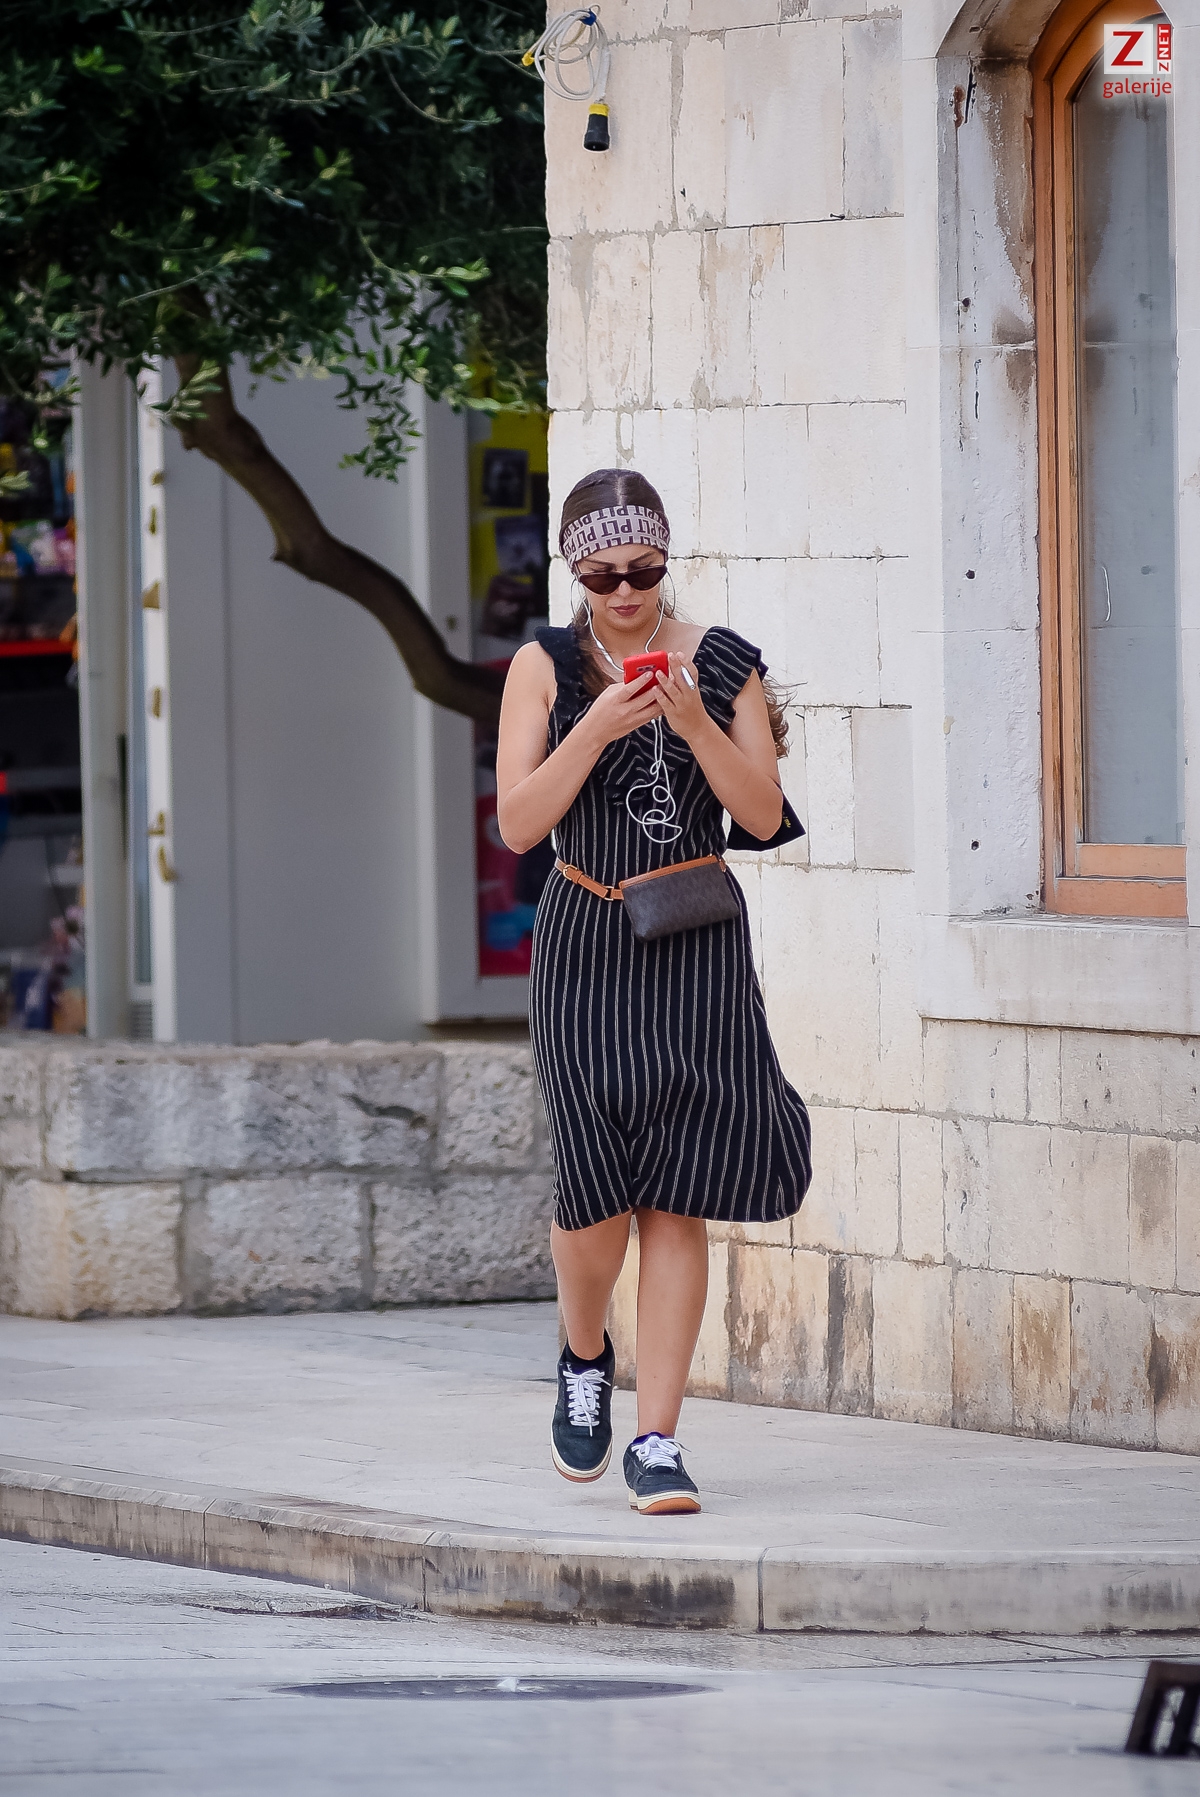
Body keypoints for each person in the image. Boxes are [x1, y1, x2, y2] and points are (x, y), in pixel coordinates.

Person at [496, 468, 812, 1516]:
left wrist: (694, 723)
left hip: (695, 945)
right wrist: (596, 726)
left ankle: (659, 1438)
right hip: (585, 939)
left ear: (666, 563)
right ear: (574, 571)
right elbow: (518, 824)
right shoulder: (543, 667)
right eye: (604, 576)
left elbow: (760, 816)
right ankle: (585, 1350)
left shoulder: (722, 663)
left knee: (678, 1195)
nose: (627, 592)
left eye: (644, 571)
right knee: (595, 1195)